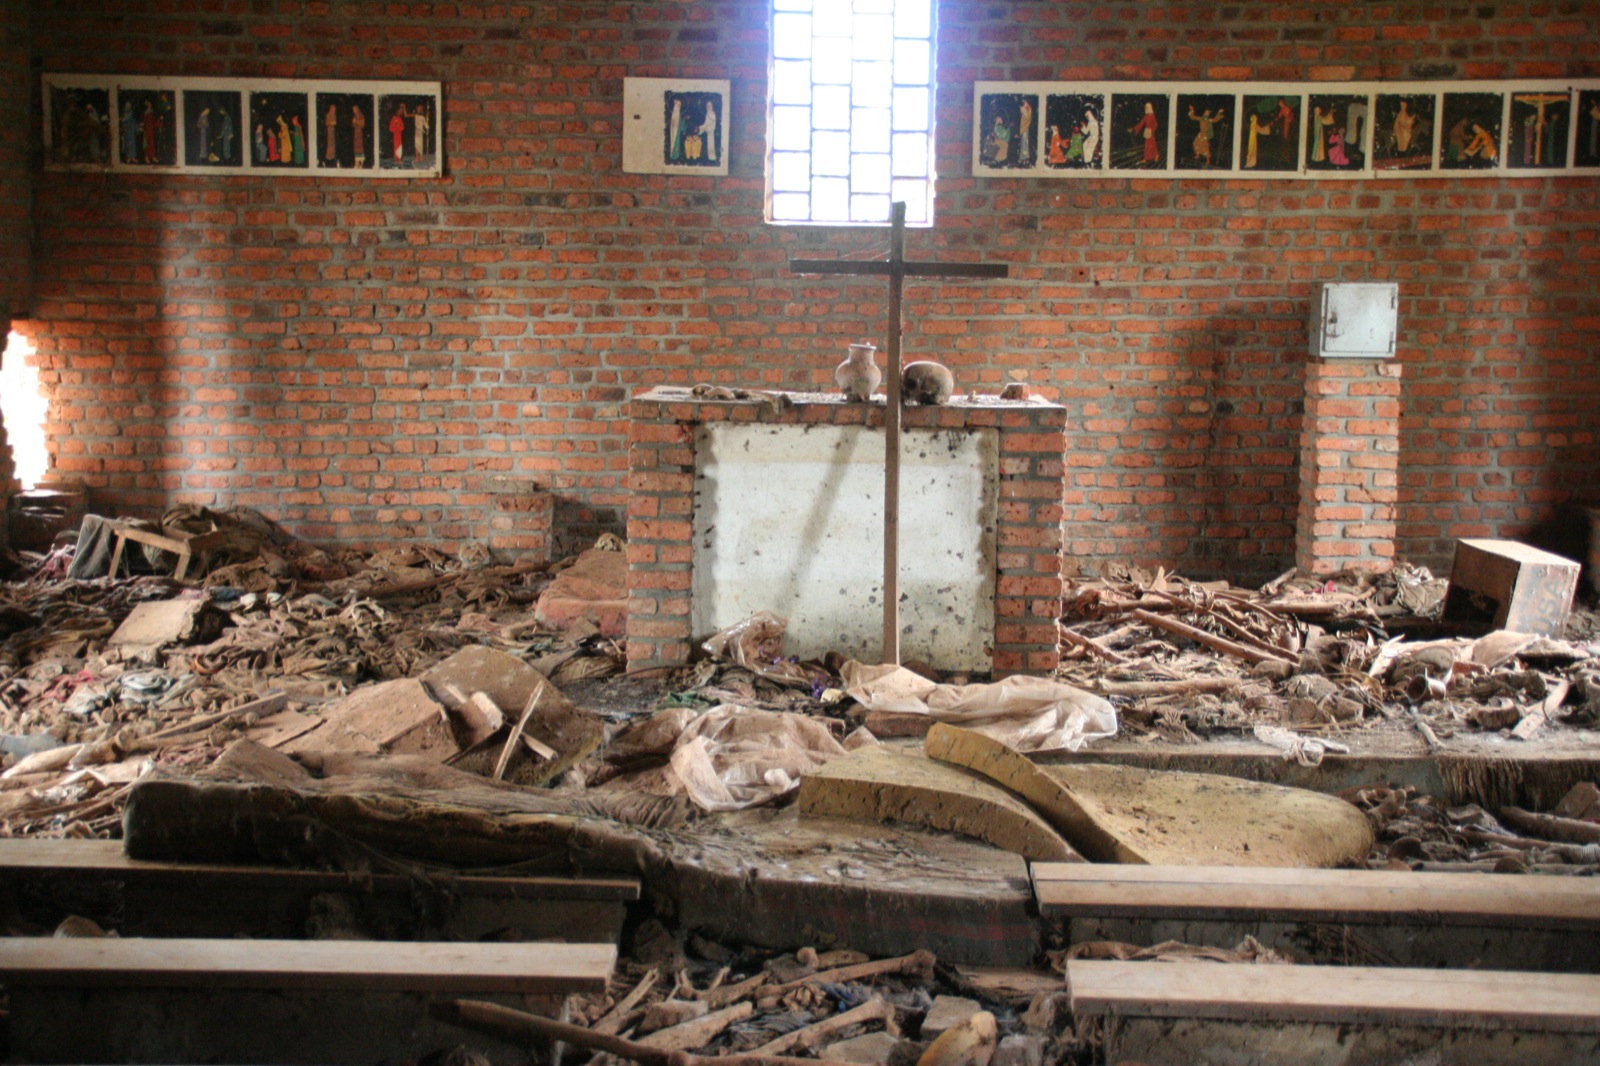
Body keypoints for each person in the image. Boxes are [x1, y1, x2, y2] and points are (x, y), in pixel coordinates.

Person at [1018, 98, 1034, 166]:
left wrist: (1022, 111)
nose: (1024, 103)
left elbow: (1027, 118)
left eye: (1024, 102)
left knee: (1025, 143)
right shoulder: (1025, 108)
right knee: (1023, 143)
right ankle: (1022, 158)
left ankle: (1025, 158)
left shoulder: (1028, 109)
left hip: (1025, 128)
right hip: (1024, 128)